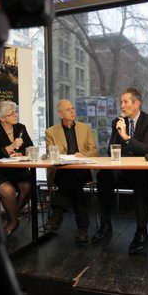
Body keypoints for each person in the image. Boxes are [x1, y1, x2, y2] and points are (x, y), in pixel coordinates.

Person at [91, 87, 148, 254]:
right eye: (121, 102)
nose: (122, 105)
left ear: (137, 103)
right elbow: (111, 150)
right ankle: (105, 225)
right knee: (104, 176)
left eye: (125, 102)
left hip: (142, 171)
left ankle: (141, 231)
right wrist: (119, 132)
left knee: (141, 179)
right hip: (122, 171)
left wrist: (127, 138)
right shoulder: (118, 122)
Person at [45, 99, 99, 243]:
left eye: (73, 108)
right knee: (74, 184)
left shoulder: (84, 128)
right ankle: (83, 227)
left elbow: (94, 151)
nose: (73, 111)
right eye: (68, 109)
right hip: (61, 172)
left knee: (73, 179)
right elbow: (51, 154)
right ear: (60, 113)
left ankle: (57, 213)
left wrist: (83, 155)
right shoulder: (51, 132)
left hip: (81, 169)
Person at [0, 100, 33, 237]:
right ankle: (13, 221)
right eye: (12, 113)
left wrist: (21, 153)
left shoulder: (20, 128)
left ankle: (11, 218)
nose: (16, 115)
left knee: (28, 187)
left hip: (17, 170)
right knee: (8, 190)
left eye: (16, 111)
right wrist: (11, 147)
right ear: (2, 118)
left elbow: (30, 148)